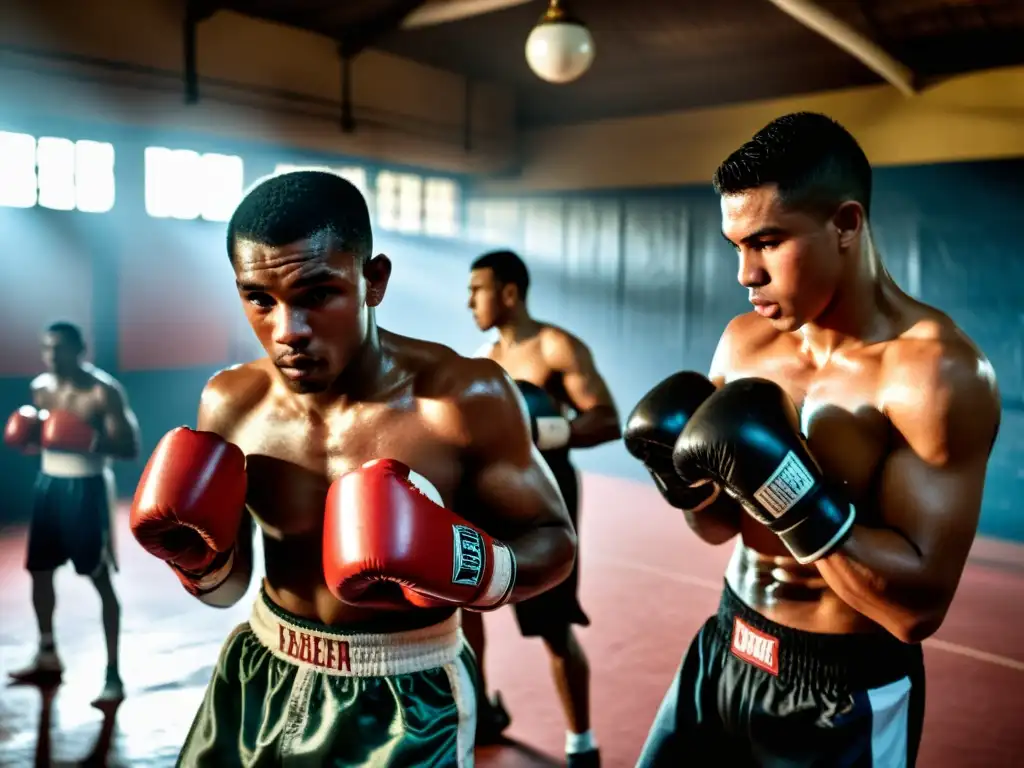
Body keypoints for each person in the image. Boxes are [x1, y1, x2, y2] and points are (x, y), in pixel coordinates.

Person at [128, 170, 577, 767]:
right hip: (263, 667)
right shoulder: (228, 403)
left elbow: (553, 540)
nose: (288, 331)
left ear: (374, 280)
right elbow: (228, 587)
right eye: (259, 299)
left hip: (408, 697)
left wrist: (468, 567)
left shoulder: (463, 400)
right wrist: (199, 562)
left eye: (316, 293)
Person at [624, 112, 1000, 767]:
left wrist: (791, 490)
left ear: (846, 225)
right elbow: (717, 529)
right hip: (726, 643)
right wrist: (680, 481)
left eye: (767, 241)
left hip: (844, 691)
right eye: (735, 245)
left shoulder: (934, 374)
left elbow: (915, 614)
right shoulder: (744, 342)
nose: (746, 273)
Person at [466, 250, 621, 768]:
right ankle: (481, 710)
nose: (469, 302)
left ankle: (582, 743)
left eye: (478, 290)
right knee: (467, 607)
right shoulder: (482, 357)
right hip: (489, 498)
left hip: (545, 500)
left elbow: (606, 419)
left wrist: (541, 431)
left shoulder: (555, 347)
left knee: (554, 627)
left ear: (509, 292)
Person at [4, 321, 140, 706]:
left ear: (81, 348)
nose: (52, 356)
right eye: (47, 348)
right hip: (49, 486)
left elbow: (130, 446)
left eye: (60, 348)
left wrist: (89, 438)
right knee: (40, 572)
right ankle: (48, 654)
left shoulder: (104, 391)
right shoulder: (40, 388)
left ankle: (113, 673)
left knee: (100, 580)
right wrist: (31, 439)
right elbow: (39, 443)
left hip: (88, 489)